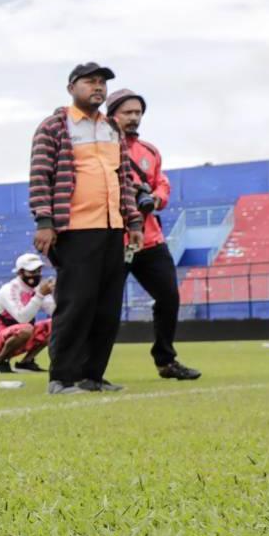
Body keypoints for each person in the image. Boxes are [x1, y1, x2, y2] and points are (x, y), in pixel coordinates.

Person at [29, 61, 143, 395]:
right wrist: (45, 222)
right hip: (75, 228)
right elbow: (40, 177)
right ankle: (62, 378)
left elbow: (124, 180)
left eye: (102, 83)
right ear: (71, 88)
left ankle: (93, 375)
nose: (98, 88)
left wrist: (133, 221)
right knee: (76, 304)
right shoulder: (54, 127)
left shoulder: (111, 128)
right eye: (90, 82)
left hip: (113, 227)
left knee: (107, 306)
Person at [106, 89, 200, 381]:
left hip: (149, 240)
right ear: (112, 115)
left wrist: (155, 200)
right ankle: (91, 368)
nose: (134, 117)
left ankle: (166, 361)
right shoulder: (100, 148)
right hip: (114, 241)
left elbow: (162, 183)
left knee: (169, 297)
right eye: (127, 112)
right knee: (106, 306)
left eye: (138, 112)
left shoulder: (149, 151)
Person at [0, 253, 56, 374]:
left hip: (22, 333)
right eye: (32, 271)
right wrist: (40, 295)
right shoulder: (9, 290)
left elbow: (54, 311)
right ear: (20, 272)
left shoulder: (38, 287)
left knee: (55, 324)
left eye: (38, 270)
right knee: (26, 328)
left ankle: (26, 363)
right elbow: (22, 318)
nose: (36, 275)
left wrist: (57, 293)